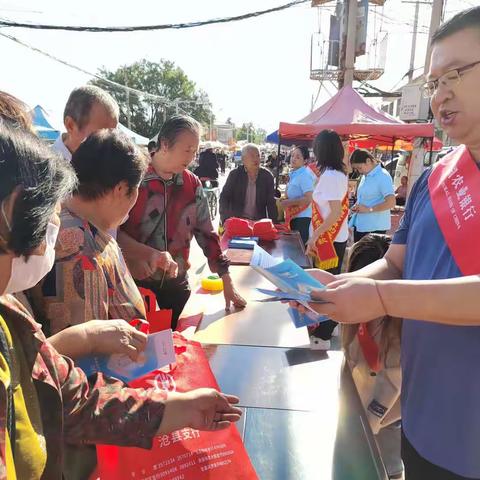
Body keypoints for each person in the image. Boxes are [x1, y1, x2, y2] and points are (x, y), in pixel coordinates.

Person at [293, 8, 480, 479]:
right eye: (435, 81)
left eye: (456, 73)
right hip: (423, 422)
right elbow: (396, 264)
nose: (441, 93)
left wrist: (376, 297)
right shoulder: (436, 176)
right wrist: (343, 283)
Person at [0, 120, 242, 478]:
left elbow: (70, 393)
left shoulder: (9, 312)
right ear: (12, 211)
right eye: (45, 218)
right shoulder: (75, 248)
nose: (48, 235)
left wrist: (179, 410)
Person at [120, 115, 247, 328]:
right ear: (165, 145)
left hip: (177, 283)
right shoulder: (135, 178)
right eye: (187, 150)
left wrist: (226, 277)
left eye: (195, 151)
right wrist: (135, 256)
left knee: (183, 344)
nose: (192, 157)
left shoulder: (191, 184)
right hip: (135, 287)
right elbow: (111, 232)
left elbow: (207, 233)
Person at [53, 86, 177, 282]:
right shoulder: (43, 176)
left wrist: (146, 254)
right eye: (102, 132)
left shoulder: (113, 165)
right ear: (70, 125)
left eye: (114, 130)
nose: (112, 139)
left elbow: (111, 230)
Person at [343, 234, 402, 479]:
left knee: (383, 470)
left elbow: (392, 386)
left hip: (386, 420)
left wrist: (367, 427)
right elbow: (349, 357)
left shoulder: (398, 327)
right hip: (356, 410)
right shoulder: (353, 312)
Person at [305, 130, 349, 349]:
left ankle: (325, 331)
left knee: (328, 287)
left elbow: (334, 213)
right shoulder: (336, 174)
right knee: (327, 284)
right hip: (332, 237)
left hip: (328, 239)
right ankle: (322, 326)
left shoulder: (332, 177)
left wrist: (315, 236)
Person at [220, 144, 277, 223]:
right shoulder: (235, 175)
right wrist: (225, 219)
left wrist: (274, 223)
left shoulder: (267, 176)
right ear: (243, 159)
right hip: (238, 221)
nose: (256, 159)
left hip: (259, 222)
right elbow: (224, 197)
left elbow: (271, 202)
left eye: (258, 156)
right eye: (252, 156)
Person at [349, 149, 396, 243]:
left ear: (368, 161)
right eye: (357, 169)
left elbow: (391, 202)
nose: (359, 171)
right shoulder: (365, 176)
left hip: (375, 228)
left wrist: (368, 209)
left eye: (359, 168)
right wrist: (357, 207)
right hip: (362, 226)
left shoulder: (383, 176)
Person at [280, 146, 315, 244]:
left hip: (302, 219)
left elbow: (309, 198)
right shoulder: (295, 174)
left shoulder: (304, 175)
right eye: (292, 156)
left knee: (299, 251)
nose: (293, 159)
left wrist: (288, 202)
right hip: (294, 217)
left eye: (298, 157)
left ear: (305, 161)